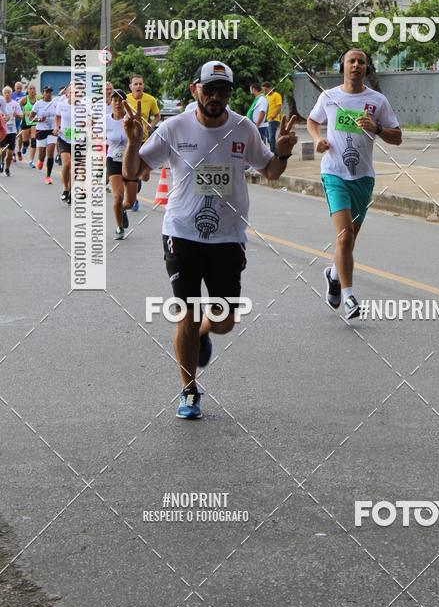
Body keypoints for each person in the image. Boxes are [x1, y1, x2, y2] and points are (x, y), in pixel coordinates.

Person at [122, 60, 297, 420]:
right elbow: (133, 172)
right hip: (182, 234)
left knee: (225, 320)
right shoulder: (174, 128)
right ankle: (188, 390)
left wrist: (282, 150)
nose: (216, 96)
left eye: (223, 90)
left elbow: (272, 171)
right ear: (195, 90)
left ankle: (204, 330)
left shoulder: (243, 129)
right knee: (186, 312)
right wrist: (132, 142)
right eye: (210, 89)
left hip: (228, 238)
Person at [307, 49, 402, 320]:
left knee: (350, 239)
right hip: (334, 173)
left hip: (363, 177)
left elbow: (398, 137)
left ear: (366, 67)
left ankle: (334, 274)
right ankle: (349, 297)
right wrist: (316, 140)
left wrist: (377, 129)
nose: (357, 65)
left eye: (361, 62)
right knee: (344, 236)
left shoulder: (377, 100)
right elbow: (313, 121)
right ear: (343, 66)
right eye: (352, 61)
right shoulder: (329, 97)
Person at [106, 89, 139, 239]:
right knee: (118, 196)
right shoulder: (105, 120)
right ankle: (119, 227)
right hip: (113, 160)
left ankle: (122, 210)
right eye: (115, 100)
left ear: (125, 103)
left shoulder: (130, 119)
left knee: (129, 203)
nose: (118, 103)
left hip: (130, 161)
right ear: (110, 102)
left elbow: (138, 140)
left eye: (120, 100)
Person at [125, 74, 160, 211]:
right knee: (131, 171)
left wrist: (151, 124)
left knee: (143, 175)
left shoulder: (150, 99)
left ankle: (135, 187)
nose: (138, 86)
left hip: (144, 139)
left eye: (140, 84)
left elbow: (157, 116)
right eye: (135, 84)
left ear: (143, 85)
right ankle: (134, 199)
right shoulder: (125, 99)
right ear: (130, 86)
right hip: (129, 140)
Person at [29, 86, 58, 184]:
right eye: (47, 92)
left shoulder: (55, 104)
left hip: (52, 130)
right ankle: (40, 161)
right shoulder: (38, 104)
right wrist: (39, 120)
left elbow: (59, 116)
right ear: (43, 93)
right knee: (42, 154)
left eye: (50, 92)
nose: (49, 94)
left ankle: (48, 176)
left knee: (51, 151)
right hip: (41, 130)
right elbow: (31, 118)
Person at [53, 84, 74, 204]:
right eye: (72, 92)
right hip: (64, 138)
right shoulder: (62, 104)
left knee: (74, 168)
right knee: (66, 164)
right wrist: (56, 127)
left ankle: (71, 190)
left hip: (78, 140)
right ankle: (65, 188)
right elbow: (57, 117)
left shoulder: (84, 106)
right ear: (67, 94)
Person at [0, 86, 23, 176]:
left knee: (10, 153)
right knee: (3, 150)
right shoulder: (1, 103)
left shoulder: (15, 104)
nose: (7, 94)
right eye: (5, 92)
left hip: (12, 130)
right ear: (3, 94)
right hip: (2, 130)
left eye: (8, 92)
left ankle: (7, 168)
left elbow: (21, 116)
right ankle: (2, 162)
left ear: (11, 94)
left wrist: (16, 114)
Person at [19, 83, 38, 165]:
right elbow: (18, 108)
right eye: (31, 88)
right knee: (25, 141)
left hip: (35, 121)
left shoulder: (39, 99)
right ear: (27, 90)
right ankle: (25, 146)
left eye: (34, 88)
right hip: (26, 122)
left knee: (34, 141)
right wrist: (24, 113)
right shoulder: (24, 99)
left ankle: (31, 160)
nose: (32, 90)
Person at [262, 81, 283, 152]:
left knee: (271, 138)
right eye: (264, 90)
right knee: (268, 138)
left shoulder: (276, 95)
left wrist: (273, 117)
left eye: (266, 90)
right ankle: (274, 151)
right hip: (266, 120)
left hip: (273, 120)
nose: (265, 91)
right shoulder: (266, 97)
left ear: (270, 88)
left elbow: (279, 107)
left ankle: (274, 154)